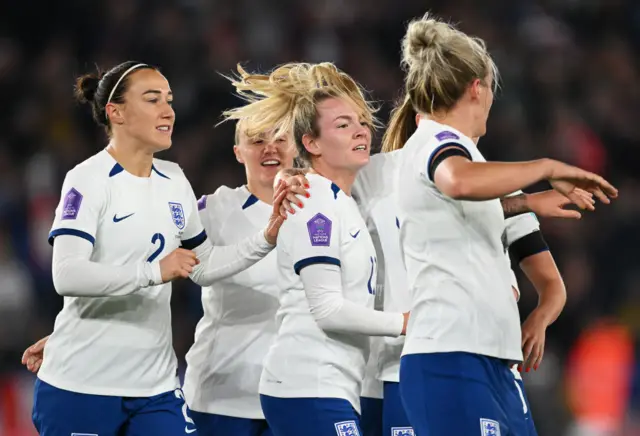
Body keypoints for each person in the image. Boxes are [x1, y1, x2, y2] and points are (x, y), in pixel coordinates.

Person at [30, 61, 298, 436]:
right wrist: (154, 271)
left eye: (169, 100)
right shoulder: (87, 179)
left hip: (155, 386)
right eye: (152, 99)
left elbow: (201, 264)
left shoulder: (174, 179)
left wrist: (265, 239)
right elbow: (66, 274)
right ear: (116, 112)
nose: (168, 110)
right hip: (82, 383)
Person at [382, 14, 617, 435]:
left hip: (494, 362)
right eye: (492, 88)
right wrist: (545, 167)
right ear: (478, 87)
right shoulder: (436, 143)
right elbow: (455, 182)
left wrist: (525, 203)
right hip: (450, 357)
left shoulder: (480, 167)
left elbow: (544, 275)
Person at [223, 62, 409, 436]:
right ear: (311, 143)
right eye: (343, 125)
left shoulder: (341, 200)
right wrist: (405, 323)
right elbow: (326, 308)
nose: (360, 130)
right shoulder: (311, 201)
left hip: (331, 386)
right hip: (306, 385)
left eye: (360, 121)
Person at [182, 115, 298, 435]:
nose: (269, 148)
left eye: (279, 138)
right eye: (257, 140)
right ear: (238, 152)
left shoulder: (325, 210)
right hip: (222, 400)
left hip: (297, 395)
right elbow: (152, 267)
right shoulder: (213, 210)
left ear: (297, 146)